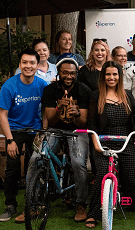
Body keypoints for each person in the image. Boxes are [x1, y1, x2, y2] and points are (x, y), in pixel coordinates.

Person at [85, 61, 135, 228]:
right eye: (108, 74)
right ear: (103, 76)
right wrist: (96, 145)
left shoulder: (127, 94)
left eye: (115, 74)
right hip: (103, 141)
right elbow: (92, 123)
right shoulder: (96, 95)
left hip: (125, 141)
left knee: (133, 178)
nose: (111, 77)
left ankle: (125, 200)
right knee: (103, 174)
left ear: (120, 76)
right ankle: (94, 213)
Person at [36, 53, 92, 222]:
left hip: (77, 131)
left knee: (78, 162)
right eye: (65, 72)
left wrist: (75, 115)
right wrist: (59, 110)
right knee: (36, 158)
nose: (69, 76)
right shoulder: (50, 90)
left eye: (72, 73)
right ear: (58, 72)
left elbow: (83, 123)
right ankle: (35, 202)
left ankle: (81, 203)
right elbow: (51, 119)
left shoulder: (84, 90)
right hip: (55, 129)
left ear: (76, 73)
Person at [0, 48, 48, 222]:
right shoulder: (9, 85)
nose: (28, 66)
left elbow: (47, 112)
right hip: (15, 131)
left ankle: (33, 204)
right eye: (24, 62)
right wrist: (10, 140)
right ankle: (10, 205)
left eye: (32, 63)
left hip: (35, 131)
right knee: (12, 169)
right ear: (20, 65)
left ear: (37, 65)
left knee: (33, 167)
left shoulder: (42, 85)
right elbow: (3, 114)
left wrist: (43, 133)